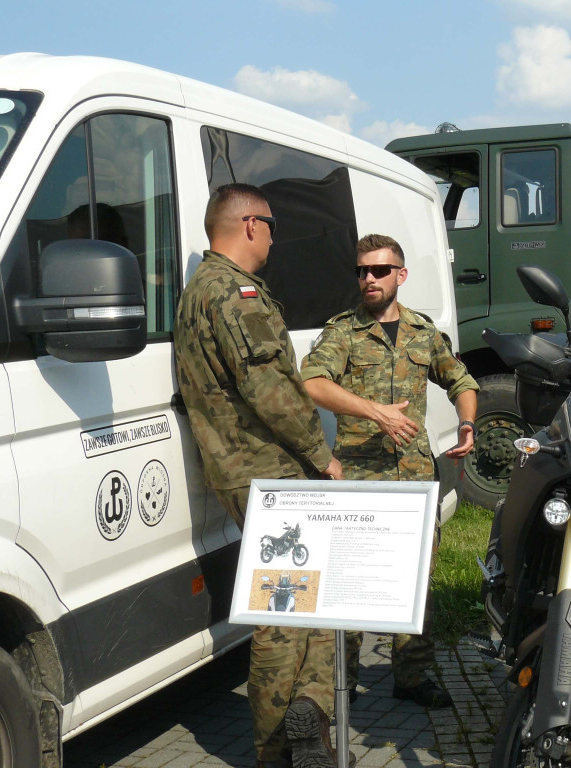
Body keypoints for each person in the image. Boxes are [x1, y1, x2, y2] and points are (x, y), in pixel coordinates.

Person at [174, 183, 343, 768]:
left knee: (297, 601)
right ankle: (290, 735)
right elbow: (270, 389)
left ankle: (307, 719)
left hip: (240, 468)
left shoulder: (202, 289)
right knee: (290, 608)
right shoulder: (235, 292)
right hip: (268, 467)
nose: (274, 237)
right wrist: (322, 455)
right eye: (271, 225)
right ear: (249, 224)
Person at [300, 233, 478, 709]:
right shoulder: (342, 332)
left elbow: (460, 379)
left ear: (401, 275)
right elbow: (312, 382)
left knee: (417, 581)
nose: (369, 279)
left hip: (416, 477)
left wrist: (467, 422)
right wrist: (376, 412)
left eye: (379, 271)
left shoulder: (424, 332)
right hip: (360, 479)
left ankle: (412, 677)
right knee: (353, 583)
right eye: (362, 271)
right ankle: (345, 683)